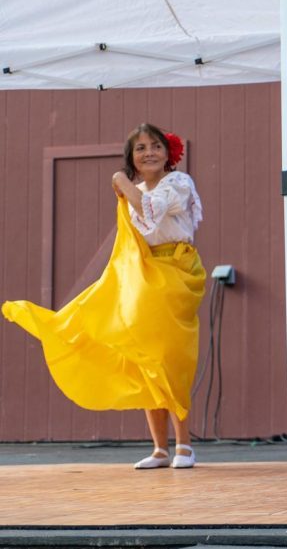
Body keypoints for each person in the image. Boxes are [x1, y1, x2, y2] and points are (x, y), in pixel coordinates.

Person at [3, 123, 206, 469]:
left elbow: (150, 211)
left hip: (176, 275)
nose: (149, 153)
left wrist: (121, 181)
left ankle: (184, 444)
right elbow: (137, 232)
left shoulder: (177, 183)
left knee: (169, 357)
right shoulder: (134, 191)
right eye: (140, 148)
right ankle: (160, 448)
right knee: (144, 356)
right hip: (144, 276)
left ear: (168, 153)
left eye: (155, 146)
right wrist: (127, 187)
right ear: (132, 157)